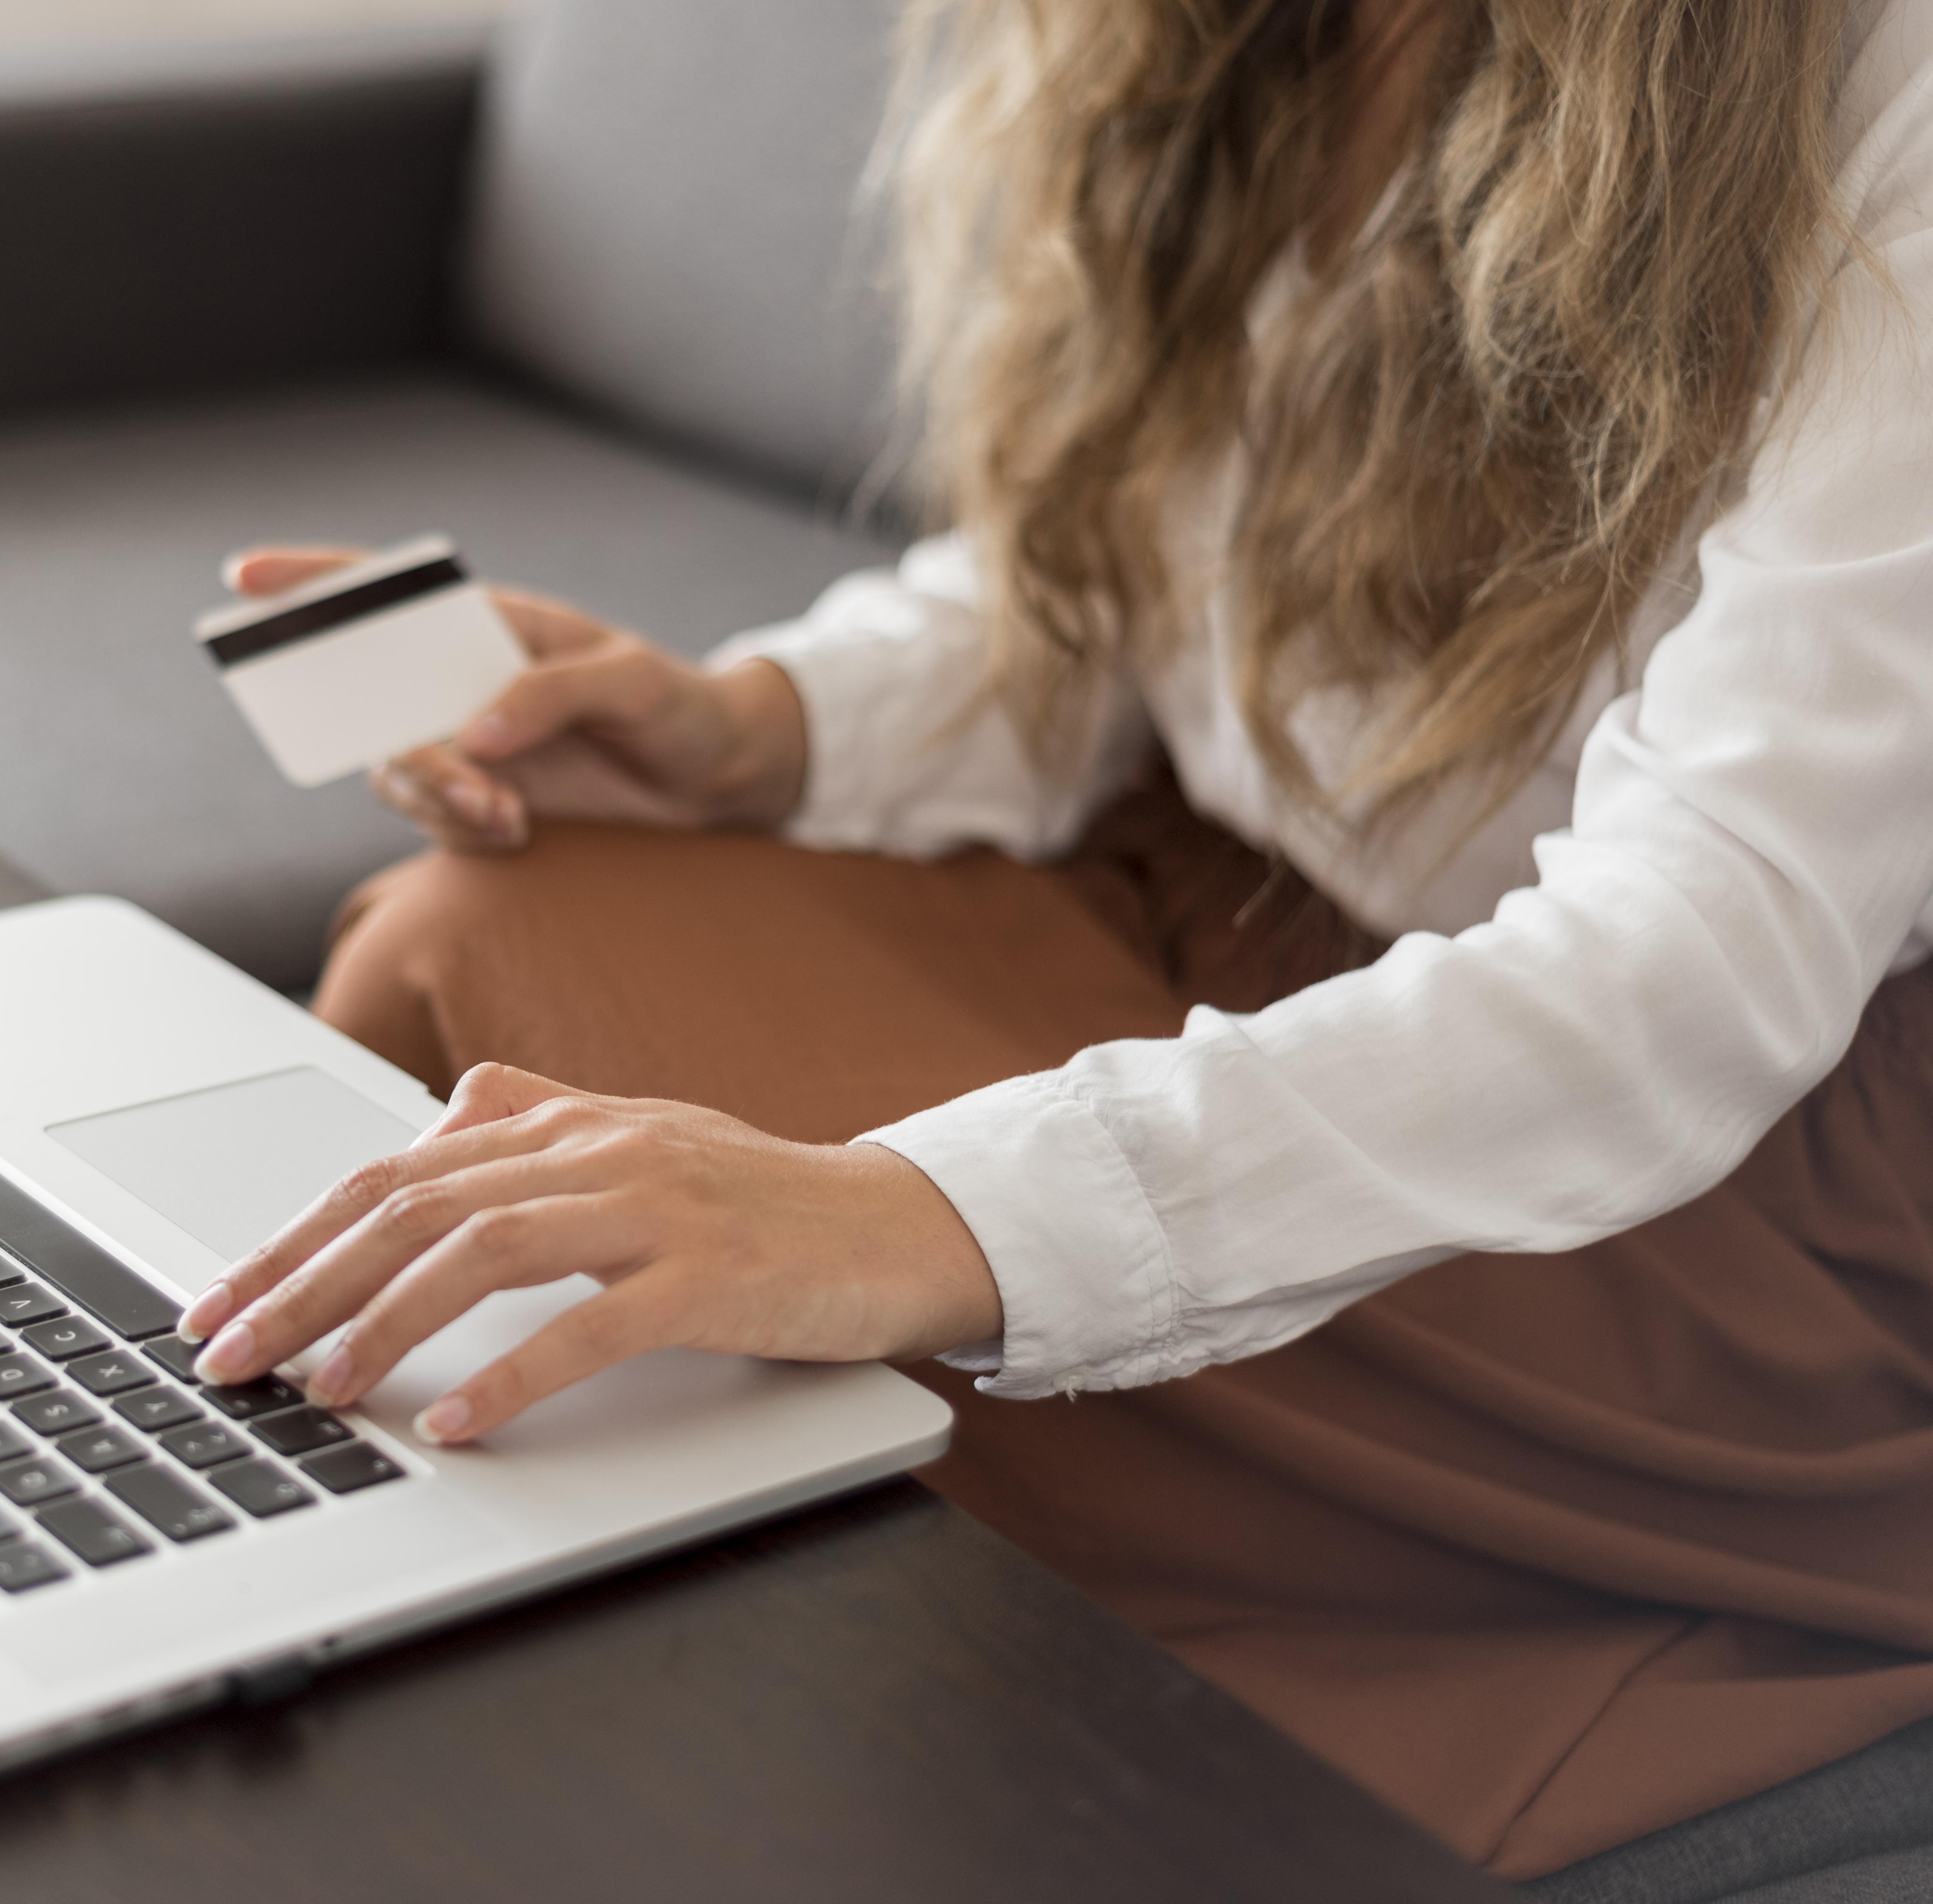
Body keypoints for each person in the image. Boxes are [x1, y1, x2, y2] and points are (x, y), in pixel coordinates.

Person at [186, 0, 1933, 1878]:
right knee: (498, 938)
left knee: (821, 1350)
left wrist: (909, 1219)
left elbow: (1695, 955)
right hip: (1214, 916)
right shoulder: (1201, 40)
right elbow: (1119, 583)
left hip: (1672, 1180)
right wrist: (760, 728)